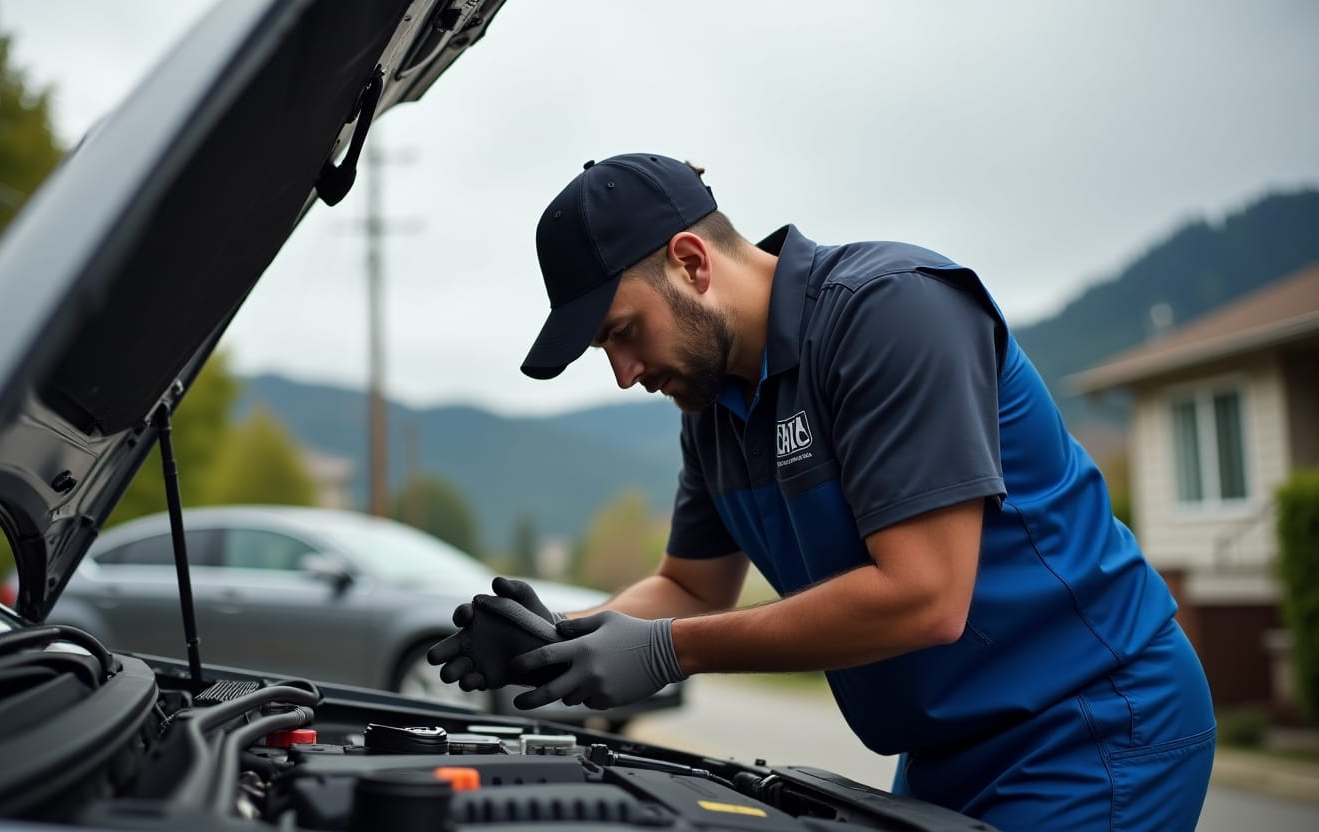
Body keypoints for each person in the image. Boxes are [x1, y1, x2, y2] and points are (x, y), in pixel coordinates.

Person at [429, 153, 1215, 830]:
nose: (626, 374)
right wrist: (562, 636)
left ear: (692, 262)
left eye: (624, 332)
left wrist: (669, 652)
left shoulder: (891, 312)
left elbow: (925, 596)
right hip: (946, 749)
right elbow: (692, 586)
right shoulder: (709, 410)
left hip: (1091, 724)